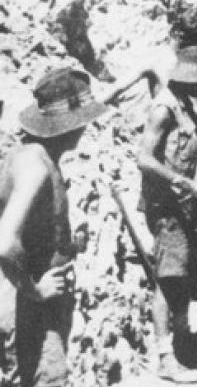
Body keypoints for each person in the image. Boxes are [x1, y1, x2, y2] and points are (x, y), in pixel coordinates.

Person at [0, 68, 107, 387]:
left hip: (39, 299)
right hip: (33, 302)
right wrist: (35, 290)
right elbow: (4, 242)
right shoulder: (35, 165)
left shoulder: (35, 155)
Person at [137, 47, 197, 383]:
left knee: (185, 274)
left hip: (188, 205)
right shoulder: (164, 110)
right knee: (169, 281)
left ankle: (184, 344)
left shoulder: (186, 106)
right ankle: (165, 357)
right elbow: (145, 158)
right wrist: (184, 182)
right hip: (167, 208)